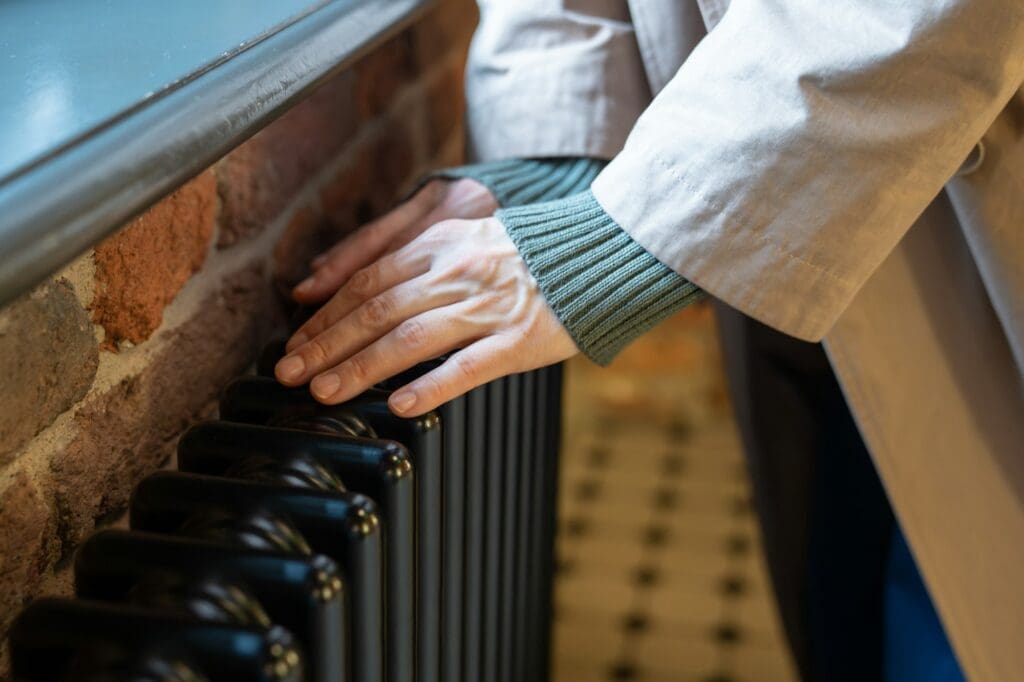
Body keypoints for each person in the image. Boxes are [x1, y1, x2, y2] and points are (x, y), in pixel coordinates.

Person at [273, 2, 1024, 680]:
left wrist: (635, 228)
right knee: (847, 578)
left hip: (953, 161)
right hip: (818, 196)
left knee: (967, 601)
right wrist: (562, 142)